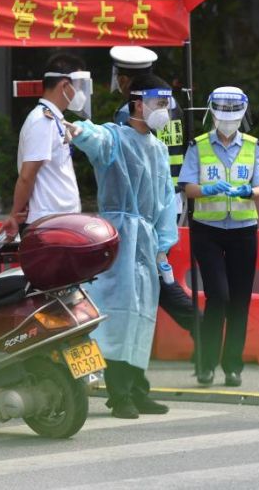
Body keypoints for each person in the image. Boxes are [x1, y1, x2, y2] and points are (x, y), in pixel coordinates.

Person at [63, 73, 178, 419]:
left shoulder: (157, 148)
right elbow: (94, 136)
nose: (164, 111)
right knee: (115, 318)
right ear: (138, 104)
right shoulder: (115, 139)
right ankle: (119, 394)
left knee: (141, 318)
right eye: (158, 103)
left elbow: (165, 201)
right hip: (116, 240)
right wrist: (78, 130)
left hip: (145, 243)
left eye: (166, 104)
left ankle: (137, 388)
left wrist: (163, 245)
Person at [178, 86, 259, 388]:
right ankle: (205, 363)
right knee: (218, 297)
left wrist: (247, 192)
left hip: (243, 229)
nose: (228, 118)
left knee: (240, 302)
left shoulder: (254, 146)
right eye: (222, 111)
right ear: (212, 113)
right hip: (208, 230)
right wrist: (206, 189)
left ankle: (233, 366)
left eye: (233, 112)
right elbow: (187, 186)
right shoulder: (199, 145)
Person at [110, 46, 201, 340]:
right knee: (152, 272)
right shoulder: (173, 104)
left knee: (150, 275)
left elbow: (123, 166)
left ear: (125, 81)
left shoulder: (129, 112)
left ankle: (202, 329)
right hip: (172, 200)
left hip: (143, 206)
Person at [1, 54, 87, 238]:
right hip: (48, 222)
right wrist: (14, 215)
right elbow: (27, 175)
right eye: (78, 87)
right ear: (65, 85)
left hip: (59, 219)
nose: (81, 93)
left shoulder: (53, 118)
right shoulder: (41, 120)